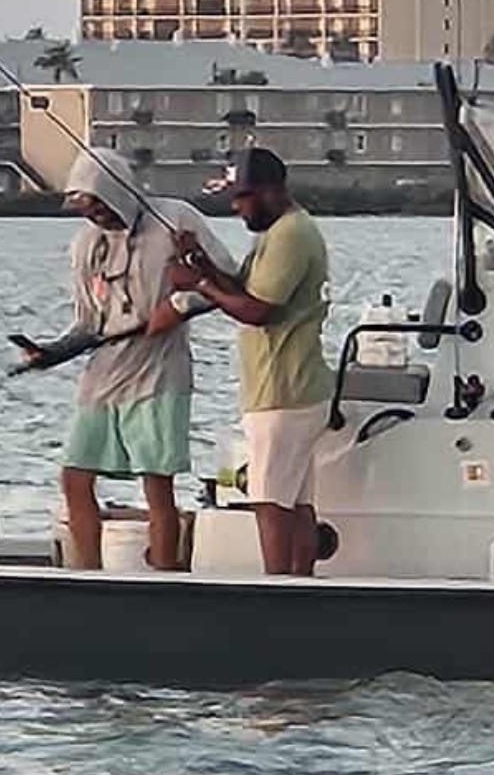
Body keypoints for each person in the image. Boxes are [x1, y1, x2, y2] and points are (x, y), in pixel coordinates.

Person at [20, 149, 234, 571]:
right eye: (87, 207)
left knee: (156, 482)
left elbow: (226, 274)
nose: (97, 215)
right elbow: (87, 325)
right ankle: (86, 571)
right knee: (75, 476)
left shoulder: (176, 219)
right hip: (103, 375)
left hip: (158, 374)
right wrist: (51, 352)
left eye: (101, 204)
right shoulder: (86, 246)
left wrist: (178, 306)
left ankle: (165, 570)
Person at [163, 146, 332, 576]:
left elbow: (258, 310)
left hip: (283, 390)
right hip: (297, 389)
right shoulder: (276, 234)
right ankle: (300, 584)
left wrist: (199, 282)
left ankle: (277, 588)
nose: (237, 208)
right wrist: (201, 261)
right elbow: (240, 288)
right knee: (296, 500)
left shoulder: (291, 235)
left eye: (243, 197)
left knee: (269, 499)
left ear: (271, 191)